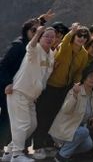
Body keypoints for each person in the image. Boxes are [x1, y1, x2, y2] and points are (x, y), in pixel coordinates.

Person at [33, 24, 90, 160]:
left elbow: (79, 72)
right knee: (43, 116)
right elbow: (65, 42)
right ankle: (38, 146)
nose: (81, 38)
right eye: (79, 35)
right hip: (50, 86)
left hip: (64, 89)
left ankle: (48, 144)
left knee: (54, 117)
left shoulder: (84, 54)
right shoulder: (65, 47)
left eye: (84, 36)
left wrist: (76, 84)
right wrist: (71, 32)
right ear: (74, 36)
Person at [5, 26, 55, 162]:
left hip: (32, 97)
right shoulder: (35, 49)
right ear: (40, 38)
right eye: (46, 36)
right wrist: (38, 33)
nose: (49, 39)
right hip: (19, 91)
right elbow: (30, 47)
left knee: (32, 125)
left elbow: (44, 76)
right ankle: (17, 155)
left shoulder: (51, 54)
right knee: (22, 124)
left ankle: (9, 151)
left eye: (52, 37)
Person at [0, 20, 38, 159]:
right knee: (7, 119)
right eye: (33, 31)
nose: (37, 33)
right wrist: (7, 83)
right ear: (26, 31)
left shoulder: (35, 47)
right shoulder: (18, 46)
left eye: (39, 32)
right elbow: (3, 66)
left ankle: (14, 150)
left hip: (23, 89)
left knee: (24, 122)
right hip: (9, 88)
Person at [49, 66, 93, 162]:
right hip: (65, 130)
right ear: (84, 78)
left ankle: (63, 151)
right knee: (84, 131)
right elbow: (66, 109)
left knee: (88, 145)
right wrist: (75, 95)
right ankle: (61, 157)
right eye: (91, 76)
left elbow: (86, 112)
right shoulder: (75, 90)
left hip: (76, 132)